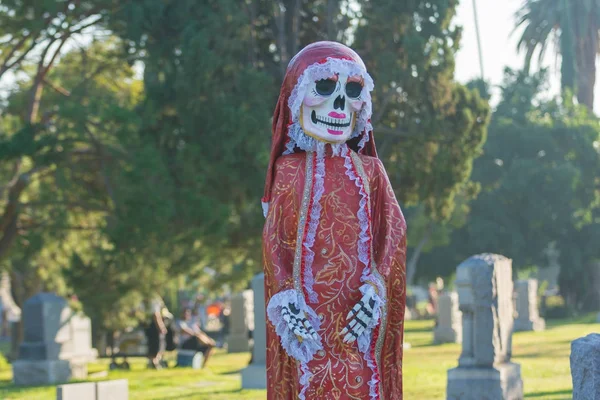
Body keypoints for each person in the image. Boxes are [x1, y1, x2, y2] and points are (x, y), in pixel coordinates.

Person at [262, 41, 407, 399]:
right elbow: (274, 240)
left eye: (352, 91)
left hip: (358, 317)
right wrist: (286, 298)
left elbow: (394, 232)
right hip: (306, 321)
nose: (339, 103)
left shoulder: (371, 171)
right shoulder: (287, 171)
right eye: (324, 88)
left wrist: (376, 290)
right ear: (296, 97)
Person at [145, 295, 168, 369]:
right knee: (157, 344)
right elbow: (156, 314)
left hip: (147, 325)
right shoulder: (154, 299)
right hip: (154, 326)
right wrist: (161, 327)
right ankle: (155, 362)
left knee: (151, 344)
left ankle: (152, 362)